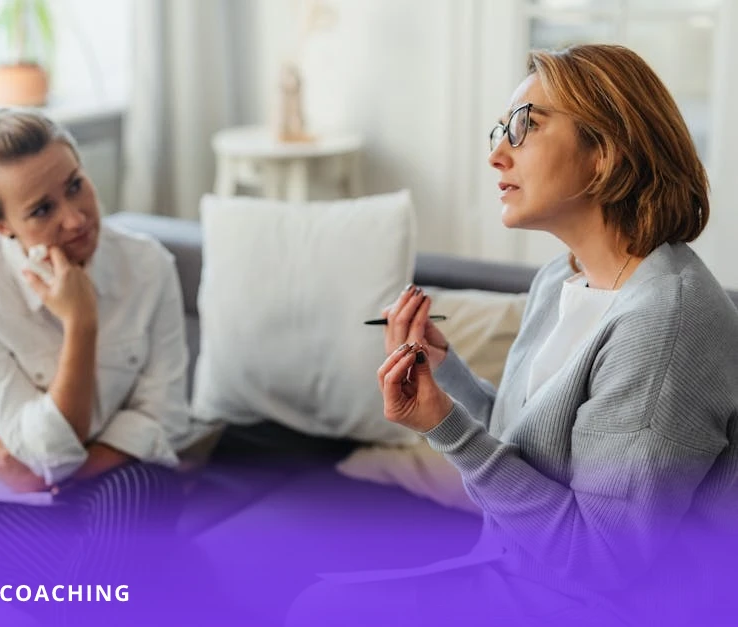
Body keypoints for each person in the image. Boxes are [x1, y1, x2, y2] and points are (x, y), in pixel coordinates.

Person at [288, 44, 738, 626]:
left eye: (524, 126)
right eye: (498, 129)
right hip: (526, 577)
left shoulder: (665, 325)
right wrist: (444, 375)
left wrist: (443, 427)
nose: (497, 154)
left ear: (604, 153)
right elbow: (536, 450)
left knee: (321, 609)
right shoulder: (563, 278)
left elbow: (601, 559)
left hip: (599, 606)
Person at [0, 109, 193, 618]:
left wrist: (49, 476)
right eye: (42, 210)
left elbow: (165, 418)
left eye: (75, 185)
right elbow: (53, 452)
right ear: (0, 224)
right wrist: (82, 324)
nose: (76, 218)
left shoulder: (149, 265)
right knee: (150, 572)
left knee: (144, 488)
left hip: (117, 482)